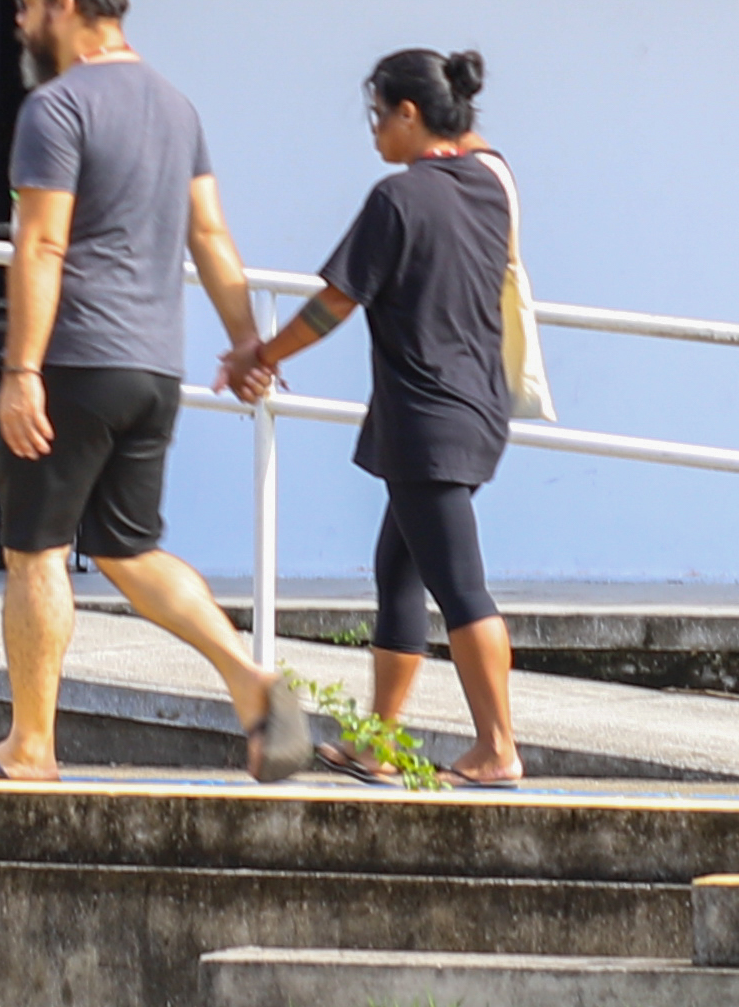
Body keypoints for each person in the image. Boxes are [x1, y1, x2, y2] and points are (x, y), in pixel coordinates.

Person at [0, 0, 310, 784]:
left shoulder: (56, 109)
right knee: (126, 548)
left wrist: (22, 370)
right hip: (152, 368)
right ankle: (252, 682)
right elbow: (210, 235)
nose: (18, 19)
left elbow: (41, 244)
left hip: (74, 361)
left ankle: (30, 746)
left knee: (35, 549)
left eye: (29, 2)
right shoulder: (174, 106)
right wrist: (246, 344)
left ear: (66, 5)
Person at [223, 45, 526, 787]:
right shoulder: (488, 184)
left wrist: (260, 353)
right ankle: (377, 744)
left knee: (459, 585)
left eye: (378, 115)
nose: (372, 131)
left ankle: (497, 748)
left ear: (409, 114)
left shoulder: (398, 198)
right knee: (398, 566)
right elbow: (476, 144)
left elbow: (336, 301)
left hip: (428, 415)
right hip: (475, 406)